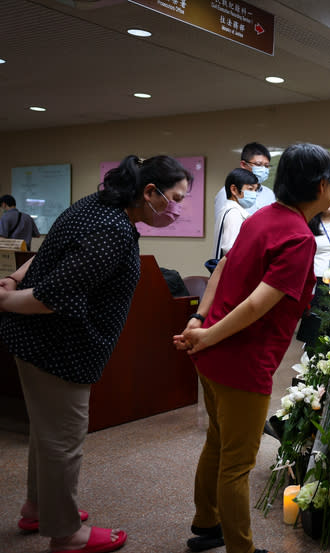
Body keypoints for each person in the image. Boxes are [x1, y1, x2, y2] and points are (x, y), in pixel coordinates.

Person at [0, 155, 191, 553]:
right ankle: (66, 533)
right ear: (149, 192)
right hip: (60, 347)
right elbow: (53, 297)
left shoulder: (95, 204)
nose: (178, 210)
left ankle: (39, 508)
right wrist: (7, 300)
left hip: (36, 342)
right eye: (175, 198)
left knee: (47, 435)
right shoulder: (113, 230)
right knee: (63, 441)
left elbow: (54, 248)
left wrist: (15, 278)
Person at [173, 143, 330, 553]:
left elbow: (223, 270)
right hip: (242, 363)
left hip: (212, 355)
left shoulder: (261, 217)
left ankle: (206, 522)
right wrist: (208, 334)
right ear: (321, 186)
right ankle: (240, 548)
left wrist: (200, 323)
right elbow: (257, 304)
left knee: (217, 442)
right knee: (238, 464)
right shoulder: (299, 239)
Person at [213, 142, 273, 218]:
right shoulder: (228, 192)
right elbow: (224, 226)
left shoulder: (269, 194)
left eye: (266, 166)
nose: (263, 169)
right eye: (258, 164)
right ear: (243, 165)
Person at [212, 168, 259, 259]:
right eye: (250, 189)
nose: (254, 194)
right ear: (234, 189)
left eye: (255, 190)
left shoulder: (228, 209)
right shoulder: (234, 213)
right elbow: (230, 248)